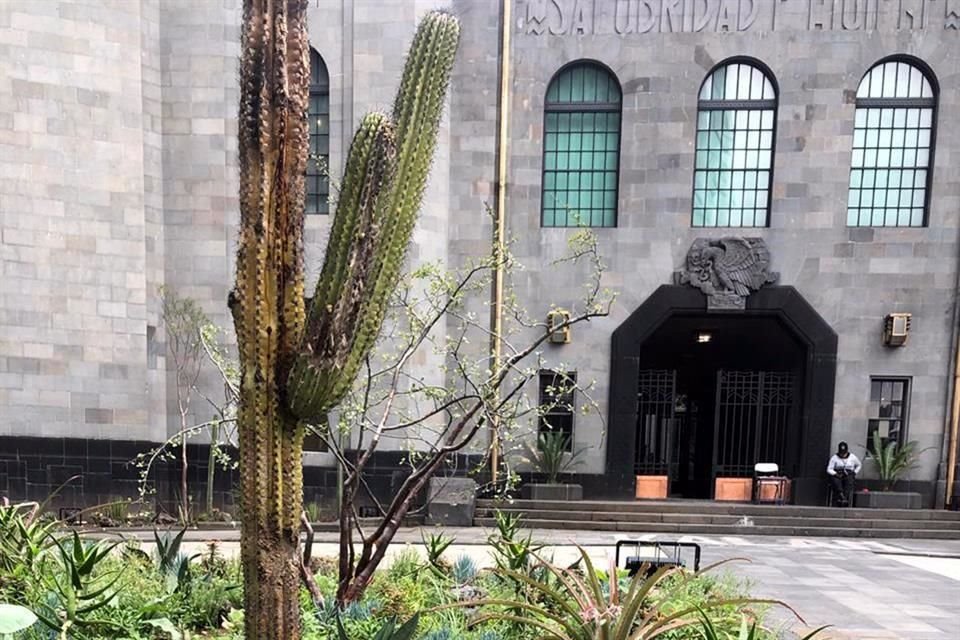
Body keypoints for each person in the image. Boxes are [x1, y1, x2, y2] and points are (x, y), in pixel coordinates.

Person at [827, 441, 862, 507]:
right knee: (835, 481)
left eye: (844, 453)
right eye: (841, 453)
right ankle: (841, 495)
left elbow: (859, 465)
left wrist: (854, 472)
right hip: (838, 473)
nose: (843, 455)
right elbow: (829, 469)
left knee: (849, 481)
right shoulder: (834, 458)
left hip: (849, 473)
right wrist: (836, 474)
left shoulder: (852, 457)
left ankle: (844, 497)